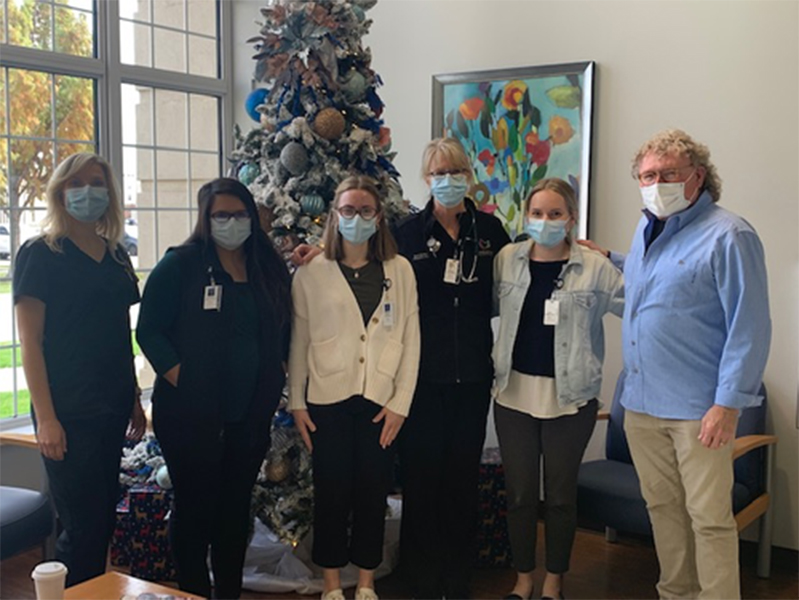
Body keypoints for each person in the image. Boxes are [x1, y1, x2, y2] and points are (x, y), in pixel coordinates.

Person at [582, 129, 771, 599]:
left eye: (668, 173)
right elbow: (662, 279)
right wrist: (612, 258)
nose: (656, 182)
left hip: (699, 411)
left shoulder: (730, 235)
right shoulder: (648, 230)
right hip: (643, 405)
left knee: (708, 519)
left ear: (698, 177)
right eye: (648, 175)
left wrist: (728, 406)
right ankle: (676, 594)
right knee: (663, 510)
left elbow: (750, 328)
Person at [136, 178, 291, 599]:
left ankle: (228, 592)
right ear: (205, 219)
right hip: (189, 415)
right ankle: (192, 591)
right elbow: (149, 331)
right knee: (194, 509)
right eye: (221, 215)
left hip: (249, 414)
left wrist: (277, 367)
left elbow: (286, 324)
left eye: (240, 214)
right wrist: (182, 377)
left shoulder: (266, 265)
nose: (231, 222)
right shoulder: (181, 265)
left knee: (234, 509)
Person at [13, 152, 145, 586]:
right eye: (76, 183)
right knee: (81, 527)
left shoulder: (116, 255)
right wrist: (46, 419)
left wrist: (134, 401)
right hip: (66, 412)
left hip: (110, 408)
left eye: (96, 182)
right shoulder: (40, 254)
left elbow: (119, 334)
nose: (87, 191)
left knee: (104, 520)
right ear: (59, 192)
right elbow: (30, 344)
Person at [288, 176, 420, 600]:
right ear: (334, 215)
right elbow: (299, 341)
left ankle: (365, 581)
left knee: (371, 493)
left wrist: (400, 404)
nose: (356, 218)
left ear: (378, 217)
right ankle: (331, 585)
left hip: (379, 403)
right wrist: (297, 402)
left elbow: (412, 338)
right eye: (347, 210)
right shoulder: (312, 271)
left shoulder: (399, 270)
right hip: (327, 401)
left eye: (365, 210)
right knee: (331, 493)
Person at [492, 178, 623, 600]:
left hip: (570, 398)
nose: (545, 221)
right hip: (513, 395)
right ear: (526, 216)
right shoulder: (508, 260)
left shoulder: (595, 267)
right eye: (537, 213)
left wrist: (619, 257)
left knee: (562, 496)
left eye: (554, 214)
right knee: (521, 494)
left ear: (570, 219)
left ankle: (554, 581)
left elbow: (642, 304)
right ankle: (524, 578)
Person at [394, 137, 510, 599]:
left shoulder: (490, 232)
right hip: (421, 378)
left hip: (472, 378)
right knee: (422, 481)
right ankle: (420, 579)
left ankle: (458, 578)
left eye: (455, 172)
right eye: (438, 173)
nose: (447, 181)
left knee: (462, 480)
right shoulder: (405, 233)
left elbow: (515, 284)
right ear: (426, 180)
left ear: (468, 176)